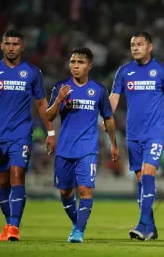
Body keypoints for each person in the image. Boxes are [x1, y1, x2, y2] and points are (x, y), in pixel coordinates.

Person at [46, 47, 119, 243]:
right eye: (73, 62)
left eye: (80, 63)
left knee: (85, 190)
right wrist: (59, 100)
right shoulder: (61, 87)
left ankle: (79, 231)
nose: (75, 66)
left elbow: (109, 118)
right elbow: (48, 115)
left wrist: (113, 144)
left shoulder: (98, 89)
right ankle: (77, 224)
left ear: (89, 66)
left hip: (87, 149)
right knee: (65, 192)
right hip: (64, 149)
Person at [0, 29, 56, 241]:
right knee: (3, 183)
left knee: (17, 176)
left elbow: (42, 104)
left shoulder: (32, 72)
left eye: (15, 44)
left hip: (20, 134)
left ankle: (14, 227)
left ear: (23, 47)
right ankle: (8, 223)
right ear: (2, 45)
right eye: (7, 43)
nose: (11, 47)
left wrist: (50, 132)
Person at [109, 32, 164, 241]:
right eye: (132, 44)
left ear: (150, 47)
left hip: (155, 132)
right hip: (133, 133)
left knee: (148, 173)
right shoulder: (124, 72)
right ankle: (150, 228)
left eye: (140, 44)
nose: (135, 48)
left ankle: (142, 225)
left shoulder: (161, 71)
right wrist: (100, 116)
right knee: (141, 179)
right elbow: (113, 100)